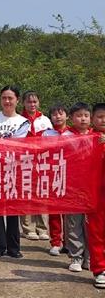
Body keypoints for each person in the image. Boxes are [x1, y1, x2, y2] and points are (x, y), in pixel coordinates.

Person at [0, 85, 30, 259]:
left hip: (14, 169)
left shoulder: (23, 121)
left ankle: (13, 247)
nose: (7, 101)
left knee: (13, 209)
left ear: (17, 100)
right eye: (4, 98)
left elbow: (17, 146)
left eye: (10, 98)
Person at [63, 102, 92, 272]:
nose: (83, 119)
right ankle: (76, 256)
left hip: (92, 187)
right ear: (72, 118)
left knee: (91, 224)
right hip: (73, 187)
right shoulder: (66, 136)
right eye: (79, 116)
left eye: (86, 115)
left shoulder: (97, 136)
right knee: (74, 222)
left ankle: (90, 257)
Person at [20, 91, 53, 241]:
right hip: (24, 161)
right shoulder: (19, 120)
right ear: (23, 103)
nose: (32, 105)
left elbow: (53, 141)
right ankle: (28, 229)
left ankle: (42, 228)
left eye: (35, 102)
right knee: (26, 194)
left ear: (39, 103)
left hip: (42, 161)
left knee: (42, 194)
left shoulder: (45, 120)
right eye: (29, 102)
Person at [43, 103, 69, 256]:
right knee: (53, 211)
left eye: (61, 113)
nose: (58, 117)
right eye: (54, 114)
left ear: (67, 116)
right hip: (53, 175)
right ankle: (55, 242)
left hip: (70, 177)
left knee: (69, 213)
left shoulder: (73, 134)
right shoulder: (46, 134)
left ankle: (68, 242)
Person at [86, 103, 105, 288]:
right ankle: (100, 269)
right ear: (93, 119)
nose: (103, 120)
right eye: (99, 116)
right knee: (97, 232)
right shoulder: (88, 139)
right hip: (95, 194)